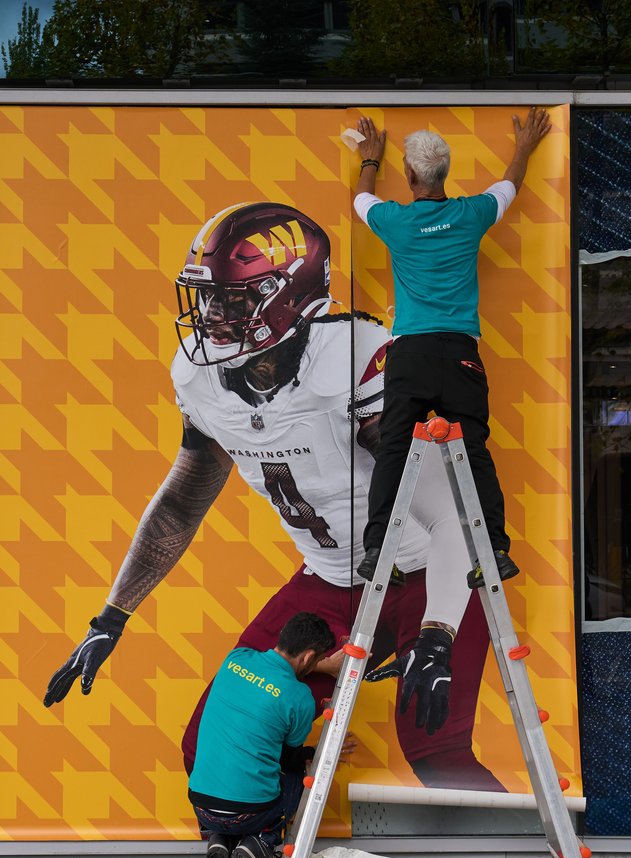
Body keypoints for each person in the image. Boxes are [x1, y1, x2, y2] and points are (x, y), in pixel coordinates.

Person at [43, 201, 504, 791]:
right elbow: (184, 501)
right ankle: (267, 829)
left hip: (425, 572)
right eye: (207, 297)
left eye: (233, 299)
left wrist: (438, 632)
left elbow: (449, 518)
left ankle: (514, 855)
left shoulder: (355, 358)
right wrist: (112, 617)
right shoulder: (199, 376)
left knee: (436, 751)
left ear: (290, 296)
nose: (211, 315)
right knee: (212, 732)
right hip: (332, 577)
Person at [353, 108, 552, 602]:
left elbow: (360, 198)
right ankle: (496, 552)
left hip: (412, 355)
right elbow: (509, 186)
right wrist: (524, 145)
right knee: (476, 450)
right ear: (444, 173)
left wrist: (370, 160)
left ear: (412, 174)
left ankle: (379, 549)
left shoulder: (394, 221)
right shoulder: (470, 214)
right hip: (461, 354)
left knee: (394, 449)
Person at [189, 611, 333, 858]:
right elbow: (288, 759)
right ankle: (259, 842)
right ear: (307, 658)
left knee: (236, 778)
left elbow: (272, 671)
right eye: (317, 659)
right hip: (251, 813)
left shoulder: (236, 659)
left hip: (202, 806)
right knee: (299, 775)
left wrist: (321, 665)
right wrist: (315, 752)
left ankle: (219, 840)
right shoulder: (300, 696)